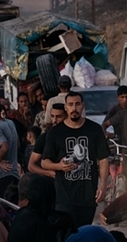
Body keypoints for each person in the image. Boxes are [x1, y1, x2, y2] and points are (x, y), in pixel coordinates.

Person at [41, 91, 110, 229]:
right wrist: (59, 166)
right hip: (63, 196)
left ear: (83, 106)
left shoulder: (94, 129)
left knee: (83, 233)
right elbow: (44, 162)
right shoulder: (55, 132)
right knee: (65, 234)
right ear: (66, 107)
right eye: (70, 104)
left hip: (87, 195)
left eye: (77, 104)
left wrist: (102, 185)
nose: (74, 108)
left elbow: (103, 159)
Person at [29, 103, 66, 178]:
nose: (54, 120)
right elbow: (31, 165)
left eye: (58, 117)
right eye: (52, 116)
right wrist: (49, 173)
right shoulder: (44, 137)